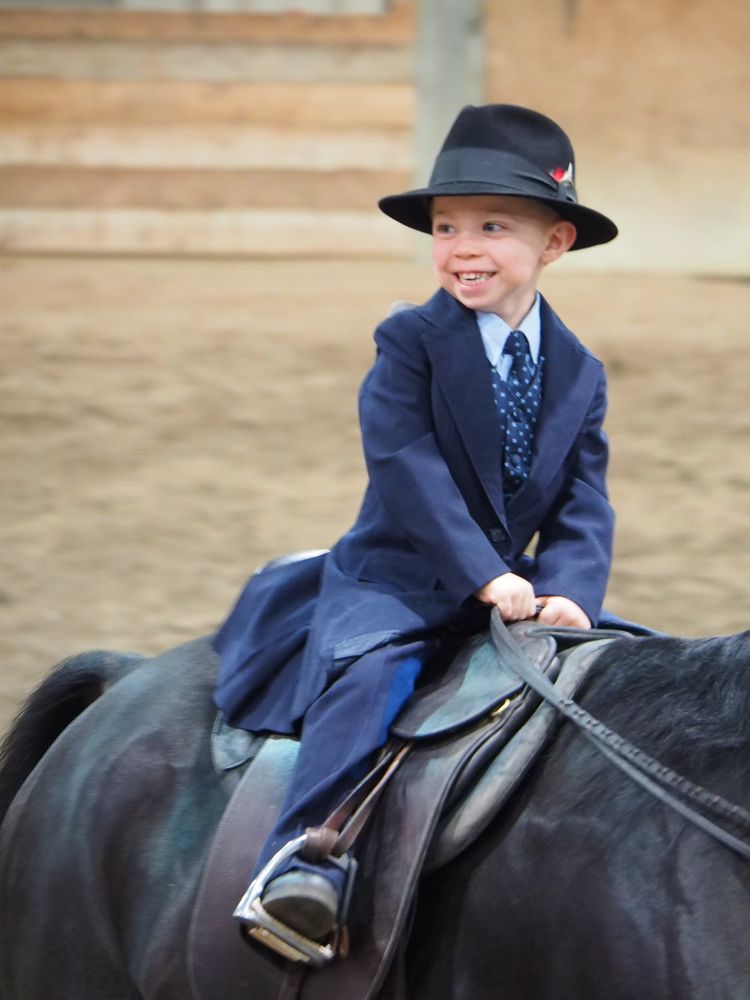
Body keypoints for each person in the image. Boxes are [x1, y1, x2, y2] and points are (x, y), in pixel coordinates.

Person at [213, 103, 619, 950]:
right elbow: (408, 469)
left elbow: (584, 497)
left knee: (625, 669)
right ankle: (302, 858)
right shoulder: (411, 340)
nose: (463, 247)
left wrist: (571, 590)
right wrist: (487, 573)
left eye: (492, 227)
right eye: (445, 227)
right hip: (398, 579)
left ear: (555, 243)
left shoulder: (580, 370)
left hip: (514, 590)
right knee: (368, 681)